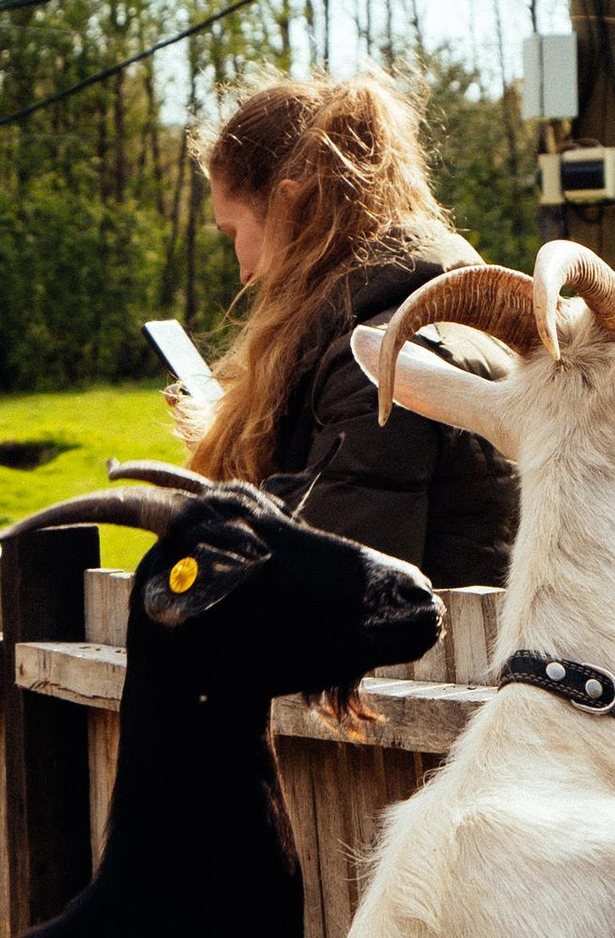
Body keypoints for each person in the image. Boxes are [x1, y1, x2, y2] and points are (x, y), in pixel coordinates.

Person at [183, 72, 518, 580]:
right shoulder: (434, 322)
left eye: (234, 230)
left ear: (288, 206)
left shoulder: (376, 365)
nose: (243, 270)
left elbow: (334, 595)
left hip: (437, 662)